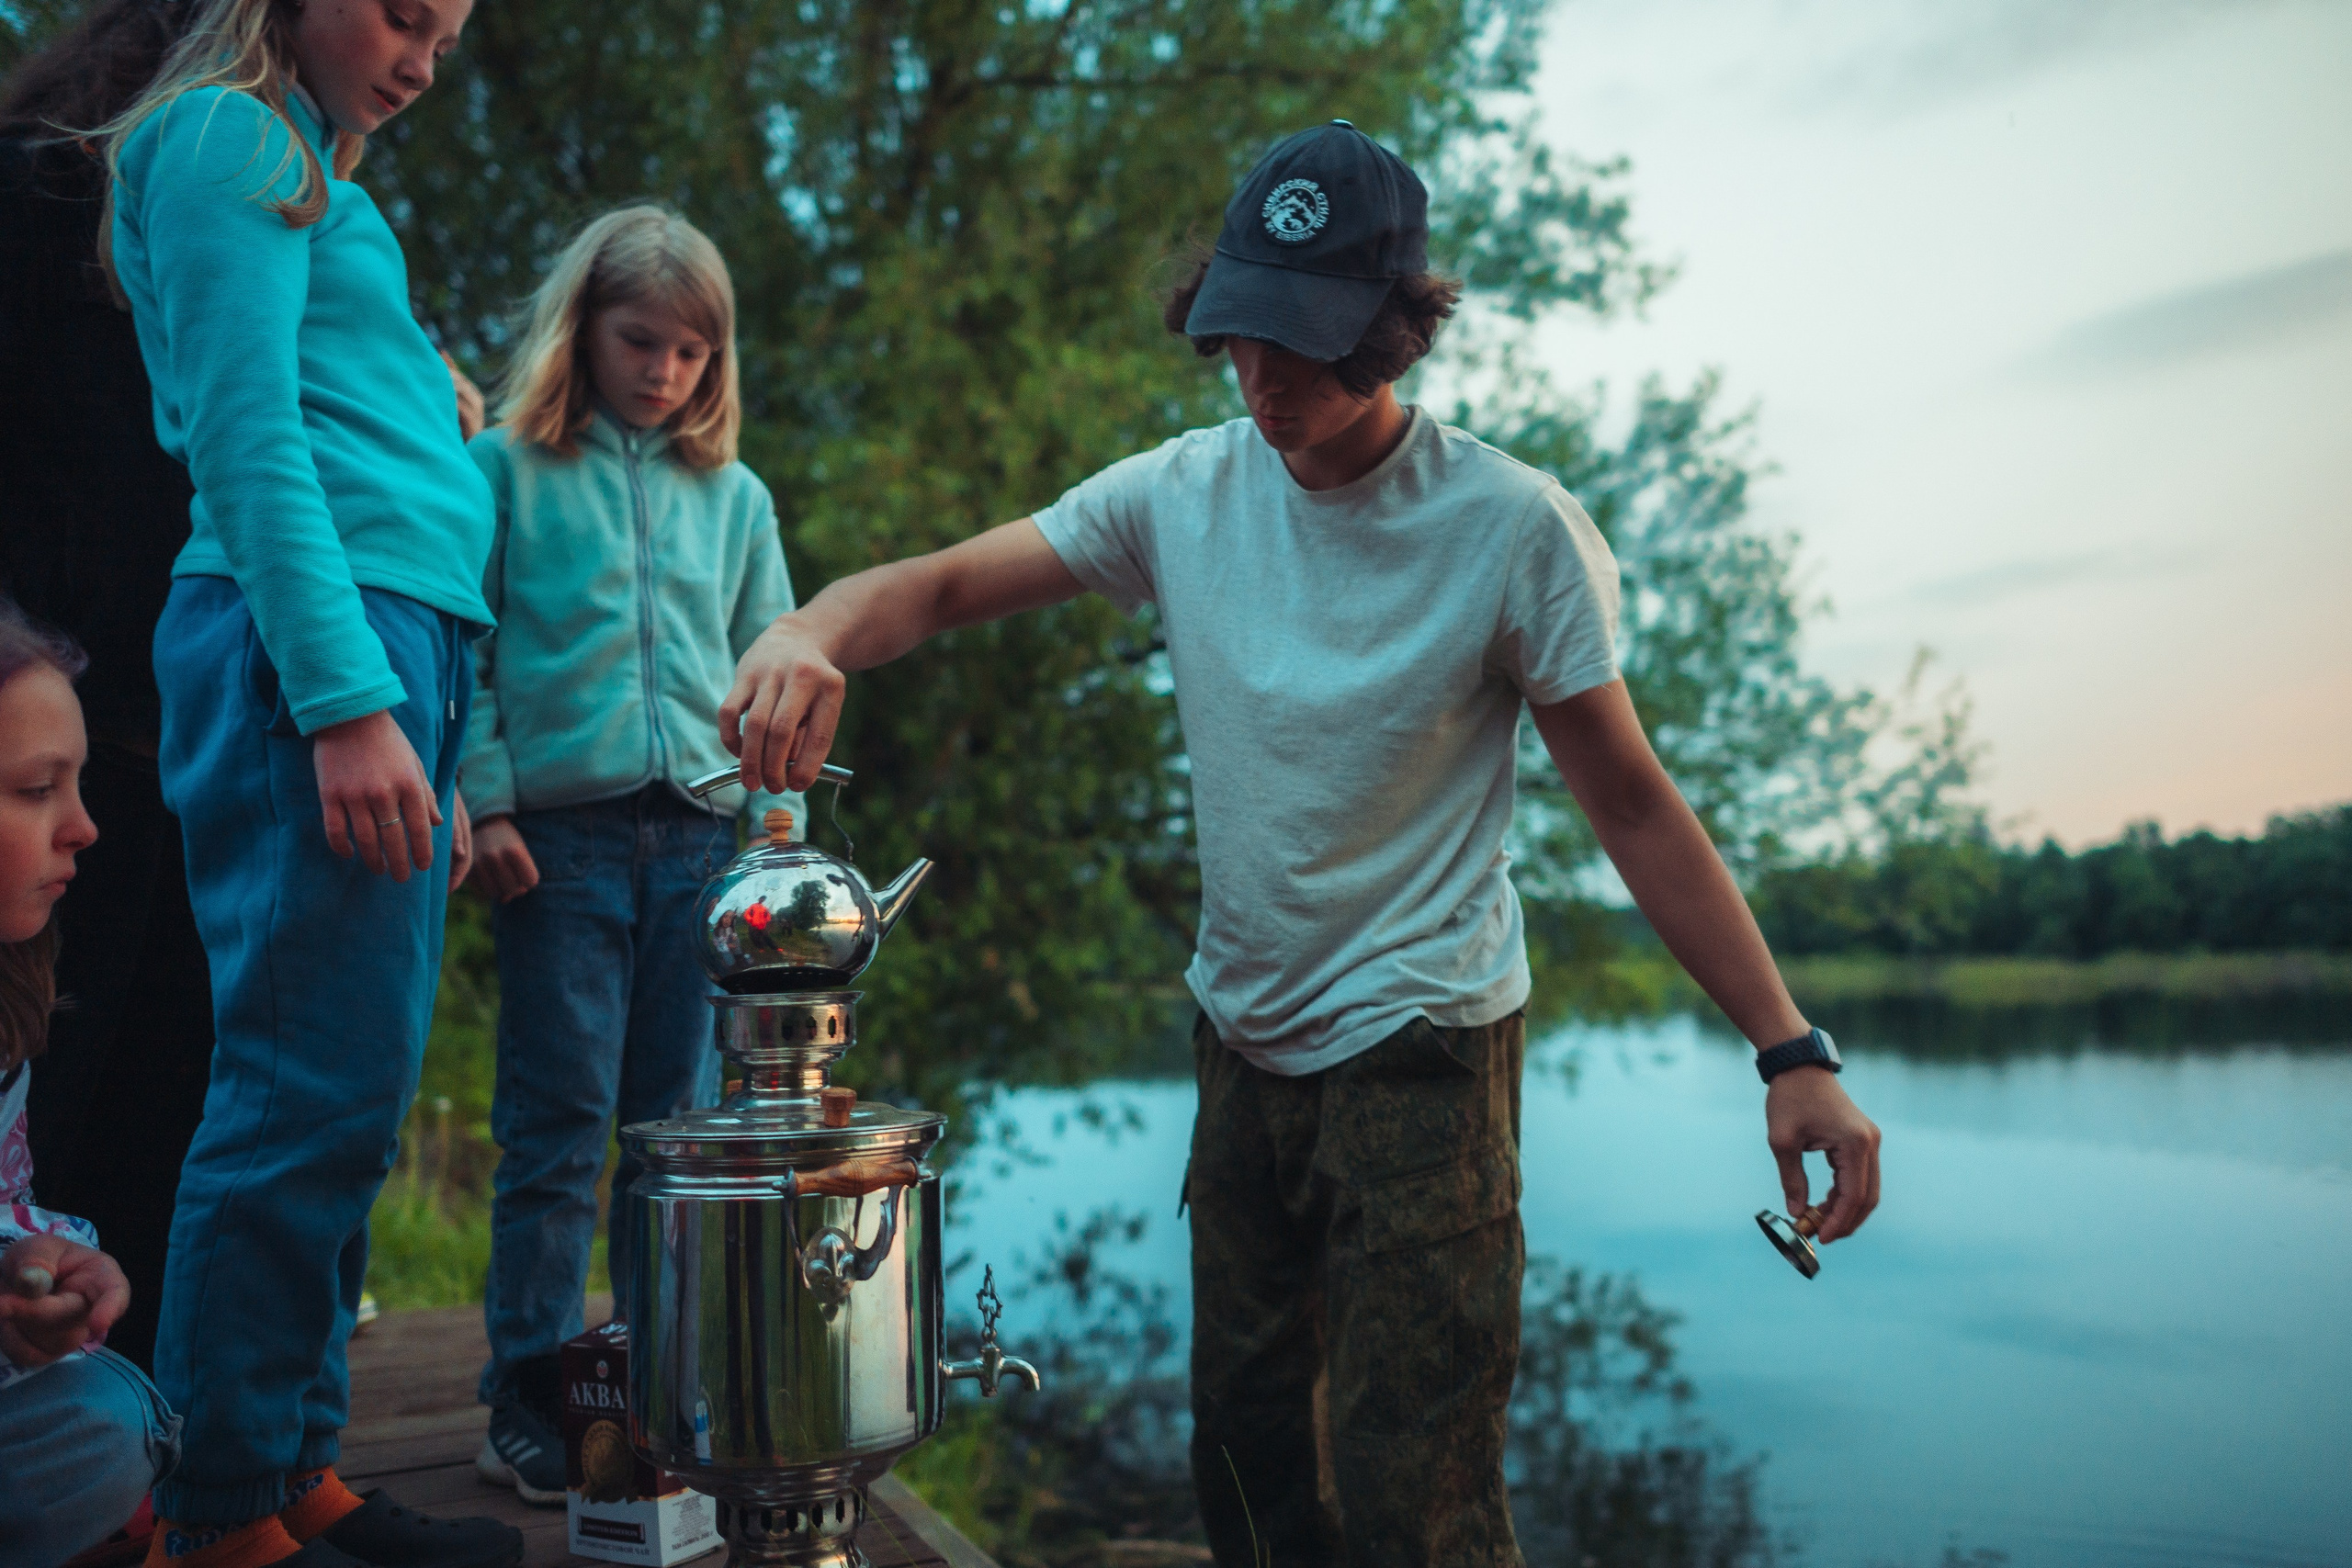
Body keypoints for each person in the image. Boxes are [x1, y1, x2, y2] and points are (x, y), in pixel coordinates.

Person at [718, 122, 1885, 1567]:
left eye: (1305, 342)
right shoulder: (1183, 493)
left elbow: (1634, 804)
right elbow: (947, 585)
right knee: (1249, 1464)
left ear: (1395, 331)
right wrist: (808, 624)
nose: (1263, 379)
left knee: (1418, 1495)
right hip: (1244, 1044)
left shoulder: (1513, 531)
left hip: (1426, 1055)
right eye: (1238, 335)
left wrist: (1793, 1052)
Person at [97, 0, 516, 1561]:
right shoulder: (223, 138)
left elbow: (352, 419)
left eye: (450, 35)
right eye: (405, 12)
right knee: (292, 1087)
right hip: (308, 651)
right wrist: (346, 701)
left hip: (395, 649)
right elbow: (251, 440)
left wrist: (437, 734)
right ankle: (217, 1511)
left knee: (353, 1086)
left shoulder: (317, 177)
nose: (423, 54)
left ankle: (294, 1466)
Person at [459, 203, 799, 1506]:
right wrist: (485, 800)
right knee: (554, 1125)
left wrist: (775, 835)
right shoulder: (506, 470)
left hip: (705, 845)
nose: (662, 372)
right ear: (581, 331)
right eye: (638, 340)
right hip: (563, 842)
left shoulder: (737, 496)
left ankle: (657, 1382)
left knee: (674, 1133)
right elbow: (469, 646)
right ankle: (530, 1394)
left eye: (691, 354)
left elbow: (773, 660)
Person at [0, 0, 211, 1382]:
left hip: (195, 737)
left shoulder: (251, 217)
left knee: (170, 1104)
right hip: (60, 719)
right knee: (53, 1088)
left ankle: (156, 1464)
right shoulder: (38, 184)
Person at [0, 602, 180, 1568]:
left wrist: (35, 1263)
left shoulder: (13, 991)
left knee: (107, 1422)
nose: (84, 827)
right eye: (36, 790)